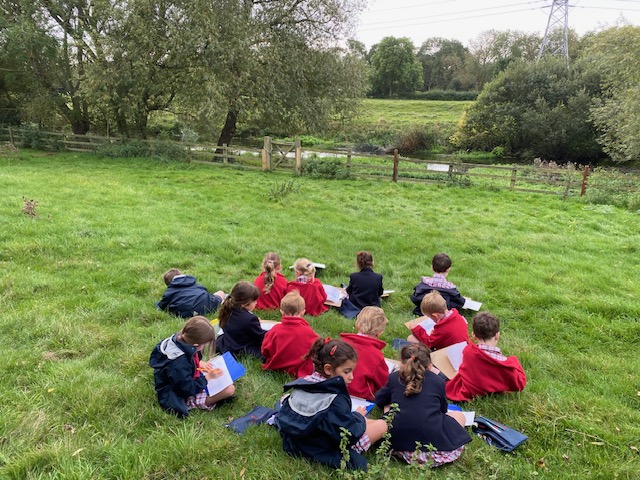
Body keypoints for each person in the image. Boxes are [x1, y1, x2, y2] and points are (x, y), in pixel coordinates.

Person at [277, 339, 388, 471]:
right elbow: (348, 433)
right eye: (346, 372)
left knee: (364, 420)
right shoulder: (336, 398)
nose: (351, 377)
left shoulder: (303, 382)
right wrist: (357, 417)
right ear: (328, 369)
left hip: (295, 441)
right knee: (382, 425)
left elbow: (285, 402)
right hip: (320, 447)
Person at [375, 343, 471, 467]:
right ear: (430, 366)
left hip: (400, 443)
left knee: (388, 408)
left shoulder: (394, 378)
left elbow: (379, 400)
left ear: (402, 364)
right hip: (435, 445)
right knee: (459, 416)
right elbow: (443, 410)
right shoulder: (439, 381)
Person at [149, 316, 236, 418]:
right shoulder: (179, 364)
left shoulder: (180, 339)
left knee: (216, 369)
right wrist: (208, 378)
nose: (205, 347)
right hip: (180, 393)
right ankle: (206, 401)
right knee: (230, 389)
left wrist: (199, 363)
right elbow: (187, 389)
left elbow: (187, 362)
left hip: (185, 379)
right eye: (205, 345)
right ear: (196, 345)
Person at [446, 312, 527, 402]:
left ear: (473, 335)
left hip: (472, 393)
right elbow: (520, 383)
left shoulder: (468, 351)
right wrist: (514, 361)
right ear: (497, 335)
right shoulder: (505, 364)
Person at [261, 291, 319, 377]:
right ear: (303, 312)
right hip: (299, 369)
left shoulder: (274, 330)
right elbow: (317, 349)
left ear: (282, 312)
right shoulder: (308, 331)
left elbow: (265, 351)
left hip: (277, 368)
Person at [340, 306, 389, 401]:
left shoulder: (341, 343)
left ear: (357, 324)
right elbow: (384, 383)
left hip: (335, 390)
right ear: (380, 332)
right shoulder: (376, 355)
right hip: (359, 397)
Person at [215, 281, 265, 359]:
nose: (256, 303)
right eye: (254, 301)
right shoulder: (250, 319)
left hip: (228, 343)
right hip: (241, 348)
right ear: (244, 303)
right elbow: (260, 336)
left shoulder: (228, 309)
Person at [156, 268, 225, 318]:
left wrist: (157, 304)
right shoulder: (193, 283)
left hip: (185, 312)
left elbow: (161, 306)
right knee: (220, 293)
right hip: (206, 304)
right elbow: (204, 290)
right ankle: (224, 301)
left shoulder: (169, 292)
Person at [339, 251, 384, 319]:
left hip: (356, 306)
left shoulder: (354, 276)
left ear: (358, 264)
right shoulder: (378, 277)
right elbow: (380, 293)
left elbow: (349, 291)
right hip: (372, 307)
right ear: (372, 262)